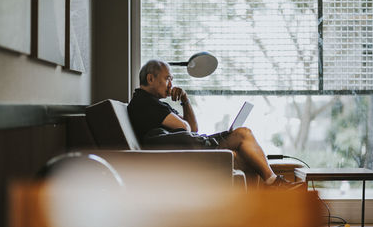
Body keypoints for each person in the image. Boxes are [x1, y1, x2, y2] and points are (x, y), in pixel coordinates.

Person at [128, 59, 302, 188]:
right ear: (150, 79)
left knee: (244, 141)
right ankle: (273, 185)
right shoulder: (144, 103)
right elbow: (186, 128)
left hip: (189, 149)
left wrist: (185, 100)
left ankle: (270, 188)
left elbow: (193, 128)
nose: (171, 84)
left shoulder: (155, 103)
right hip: (186, 155)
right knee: (243, 139)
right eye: (167, 79)